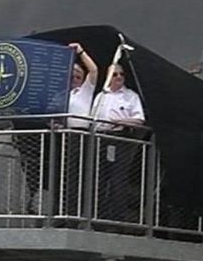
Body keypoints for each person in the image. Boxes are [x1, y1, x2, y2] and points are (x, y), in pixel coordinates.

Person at [92, 59, 148, 223]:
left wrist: (121, 122)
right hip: (100, 139)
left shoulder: (131, 96)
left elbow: (139, 119)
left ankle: (117, 217)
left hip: (120, 138)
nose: (119, 77)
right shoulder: (101, 96)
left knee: (118, 178)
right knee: (99, 178)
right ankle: (98, 215)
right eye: (115, 74)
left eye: (121, 74)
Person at [57, 43, 99, 218]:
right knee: (67, 176)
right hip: (66, 136)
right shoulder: (65, 94)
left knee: (82, 176)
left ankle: (82, 214)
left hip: (82, 136)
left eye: (78, 74)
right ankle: (67, 213)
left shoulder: (86, 91)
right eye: (72, 75)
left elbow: (94, 71)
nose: (75, 77)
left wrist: (81, 51)